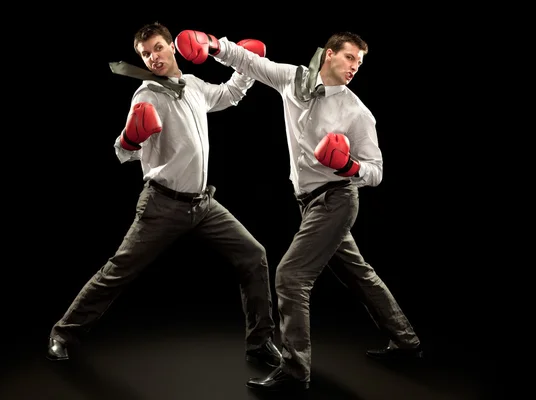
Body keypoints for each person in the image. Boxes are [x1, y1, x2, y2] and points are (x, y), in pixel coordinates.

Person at [175, 30, 422, 392]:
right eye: (350, 57)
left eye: (360, 62)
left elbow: (377, 171)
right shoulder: (293, 79)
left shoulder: (356, 111)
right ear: (329, 54)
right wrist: (215, 46)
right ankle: (406, 341)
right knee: (359, 274)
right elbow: (251, 63)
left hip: (337, 200)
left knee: (290, 277)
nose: (355, 66)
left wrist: (351, 167)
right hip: (308, 203)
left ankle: (295, 370)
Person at [46, 22, 282, 369]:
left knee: (254, 255)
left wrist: (245, 63)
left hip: (203, 204)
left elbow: (230, 95)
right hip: (162, 205)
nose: (152, 57)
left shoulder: (194, 86)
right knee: (118, 270)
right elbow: (122, 152)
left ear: (172, 46)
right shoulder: (145, 95)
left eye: (157, 48)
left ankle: (260, 343)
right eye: (145, 53)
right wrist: (128, 139)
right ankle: (62, 334)